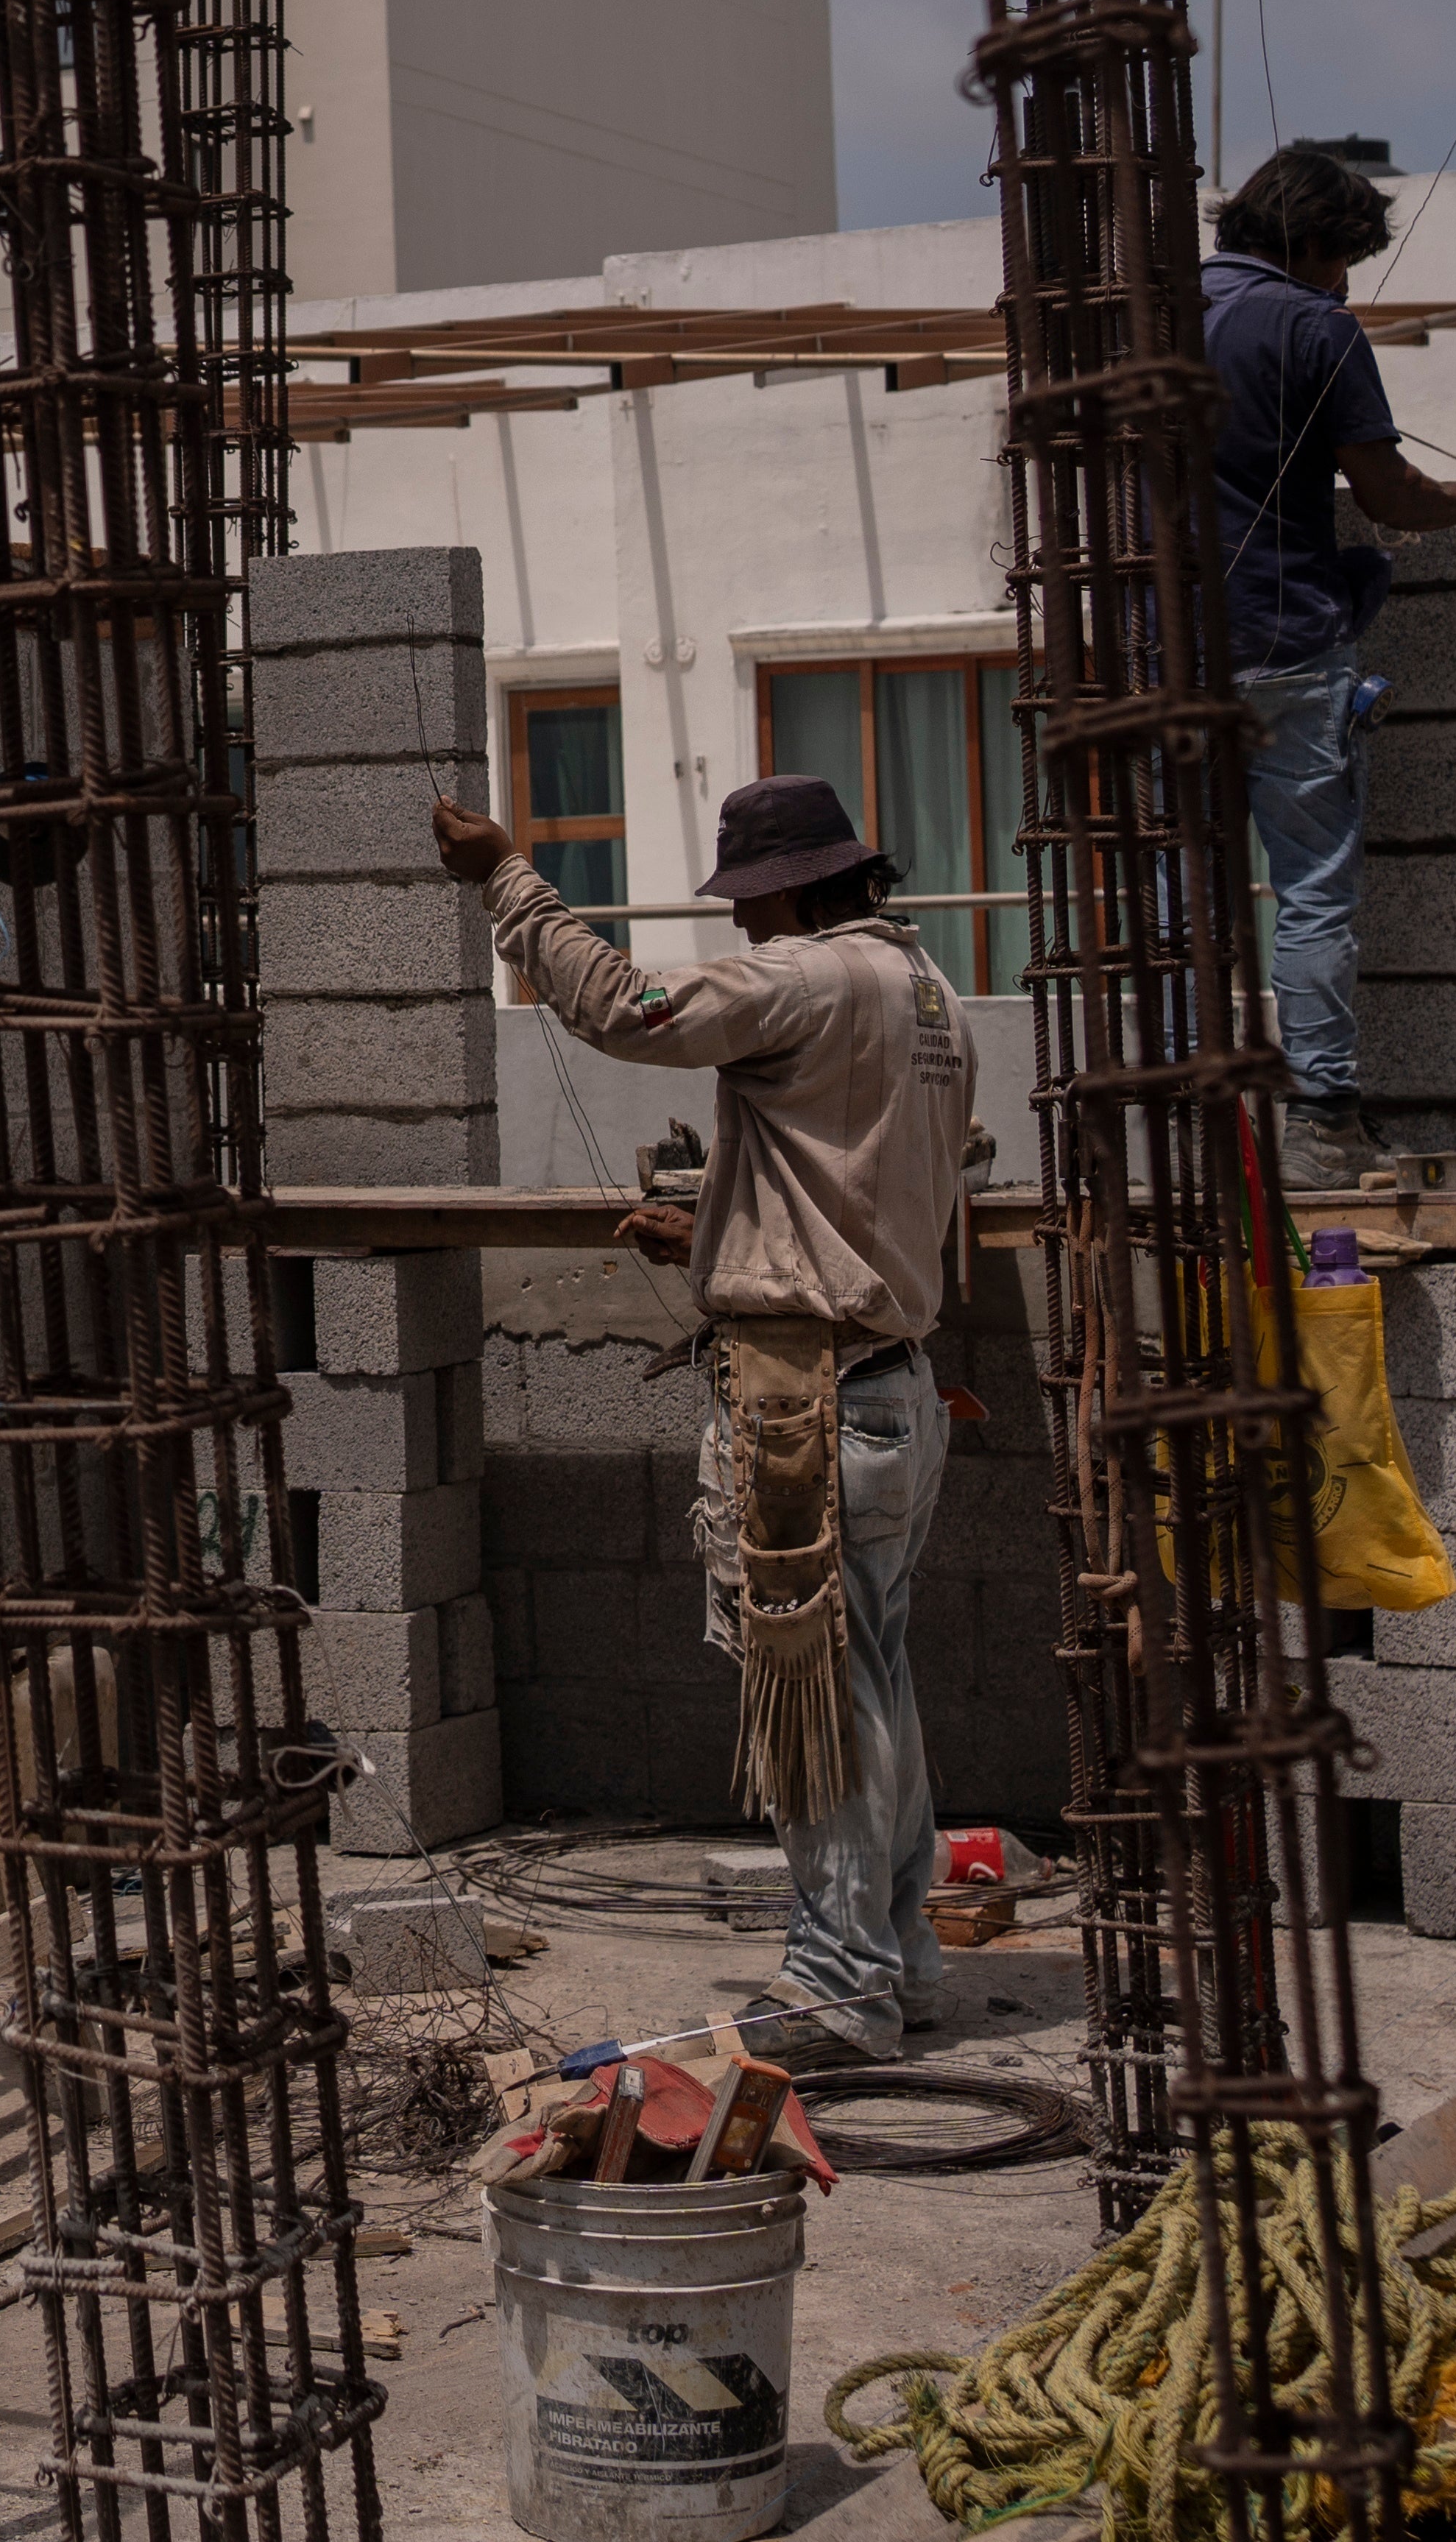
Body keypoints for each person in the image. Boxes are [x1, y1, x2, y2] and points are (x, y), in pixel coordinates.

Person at [431, 774, 974, 2065]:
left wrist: (509, 878)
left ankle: (842, 1983)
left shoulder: (809, 976)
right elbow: (850, 1178)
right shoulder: (927, 991)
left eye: (748, 902)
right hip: (888, 1383)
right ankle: (900, 1960)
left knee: (811, 1696)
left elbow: (628, 1007)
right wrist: (721, 1230)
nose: (742, 927)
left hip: (810, 1407)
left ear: (790, 887)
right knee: (872, 1682)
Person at [1203, 141, 1456, 1190]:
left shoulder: (1138, 319)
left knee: (1175, 896)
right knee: (1308, 890)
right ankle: (1323, 1127)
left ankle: (1185, 1126)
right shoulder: (1315, 326)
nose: (1349, 280)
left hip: (1150, 663)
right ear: (1312, 244)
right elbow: (1390, 498)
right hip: (1284, 646)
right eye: (1344, 258)